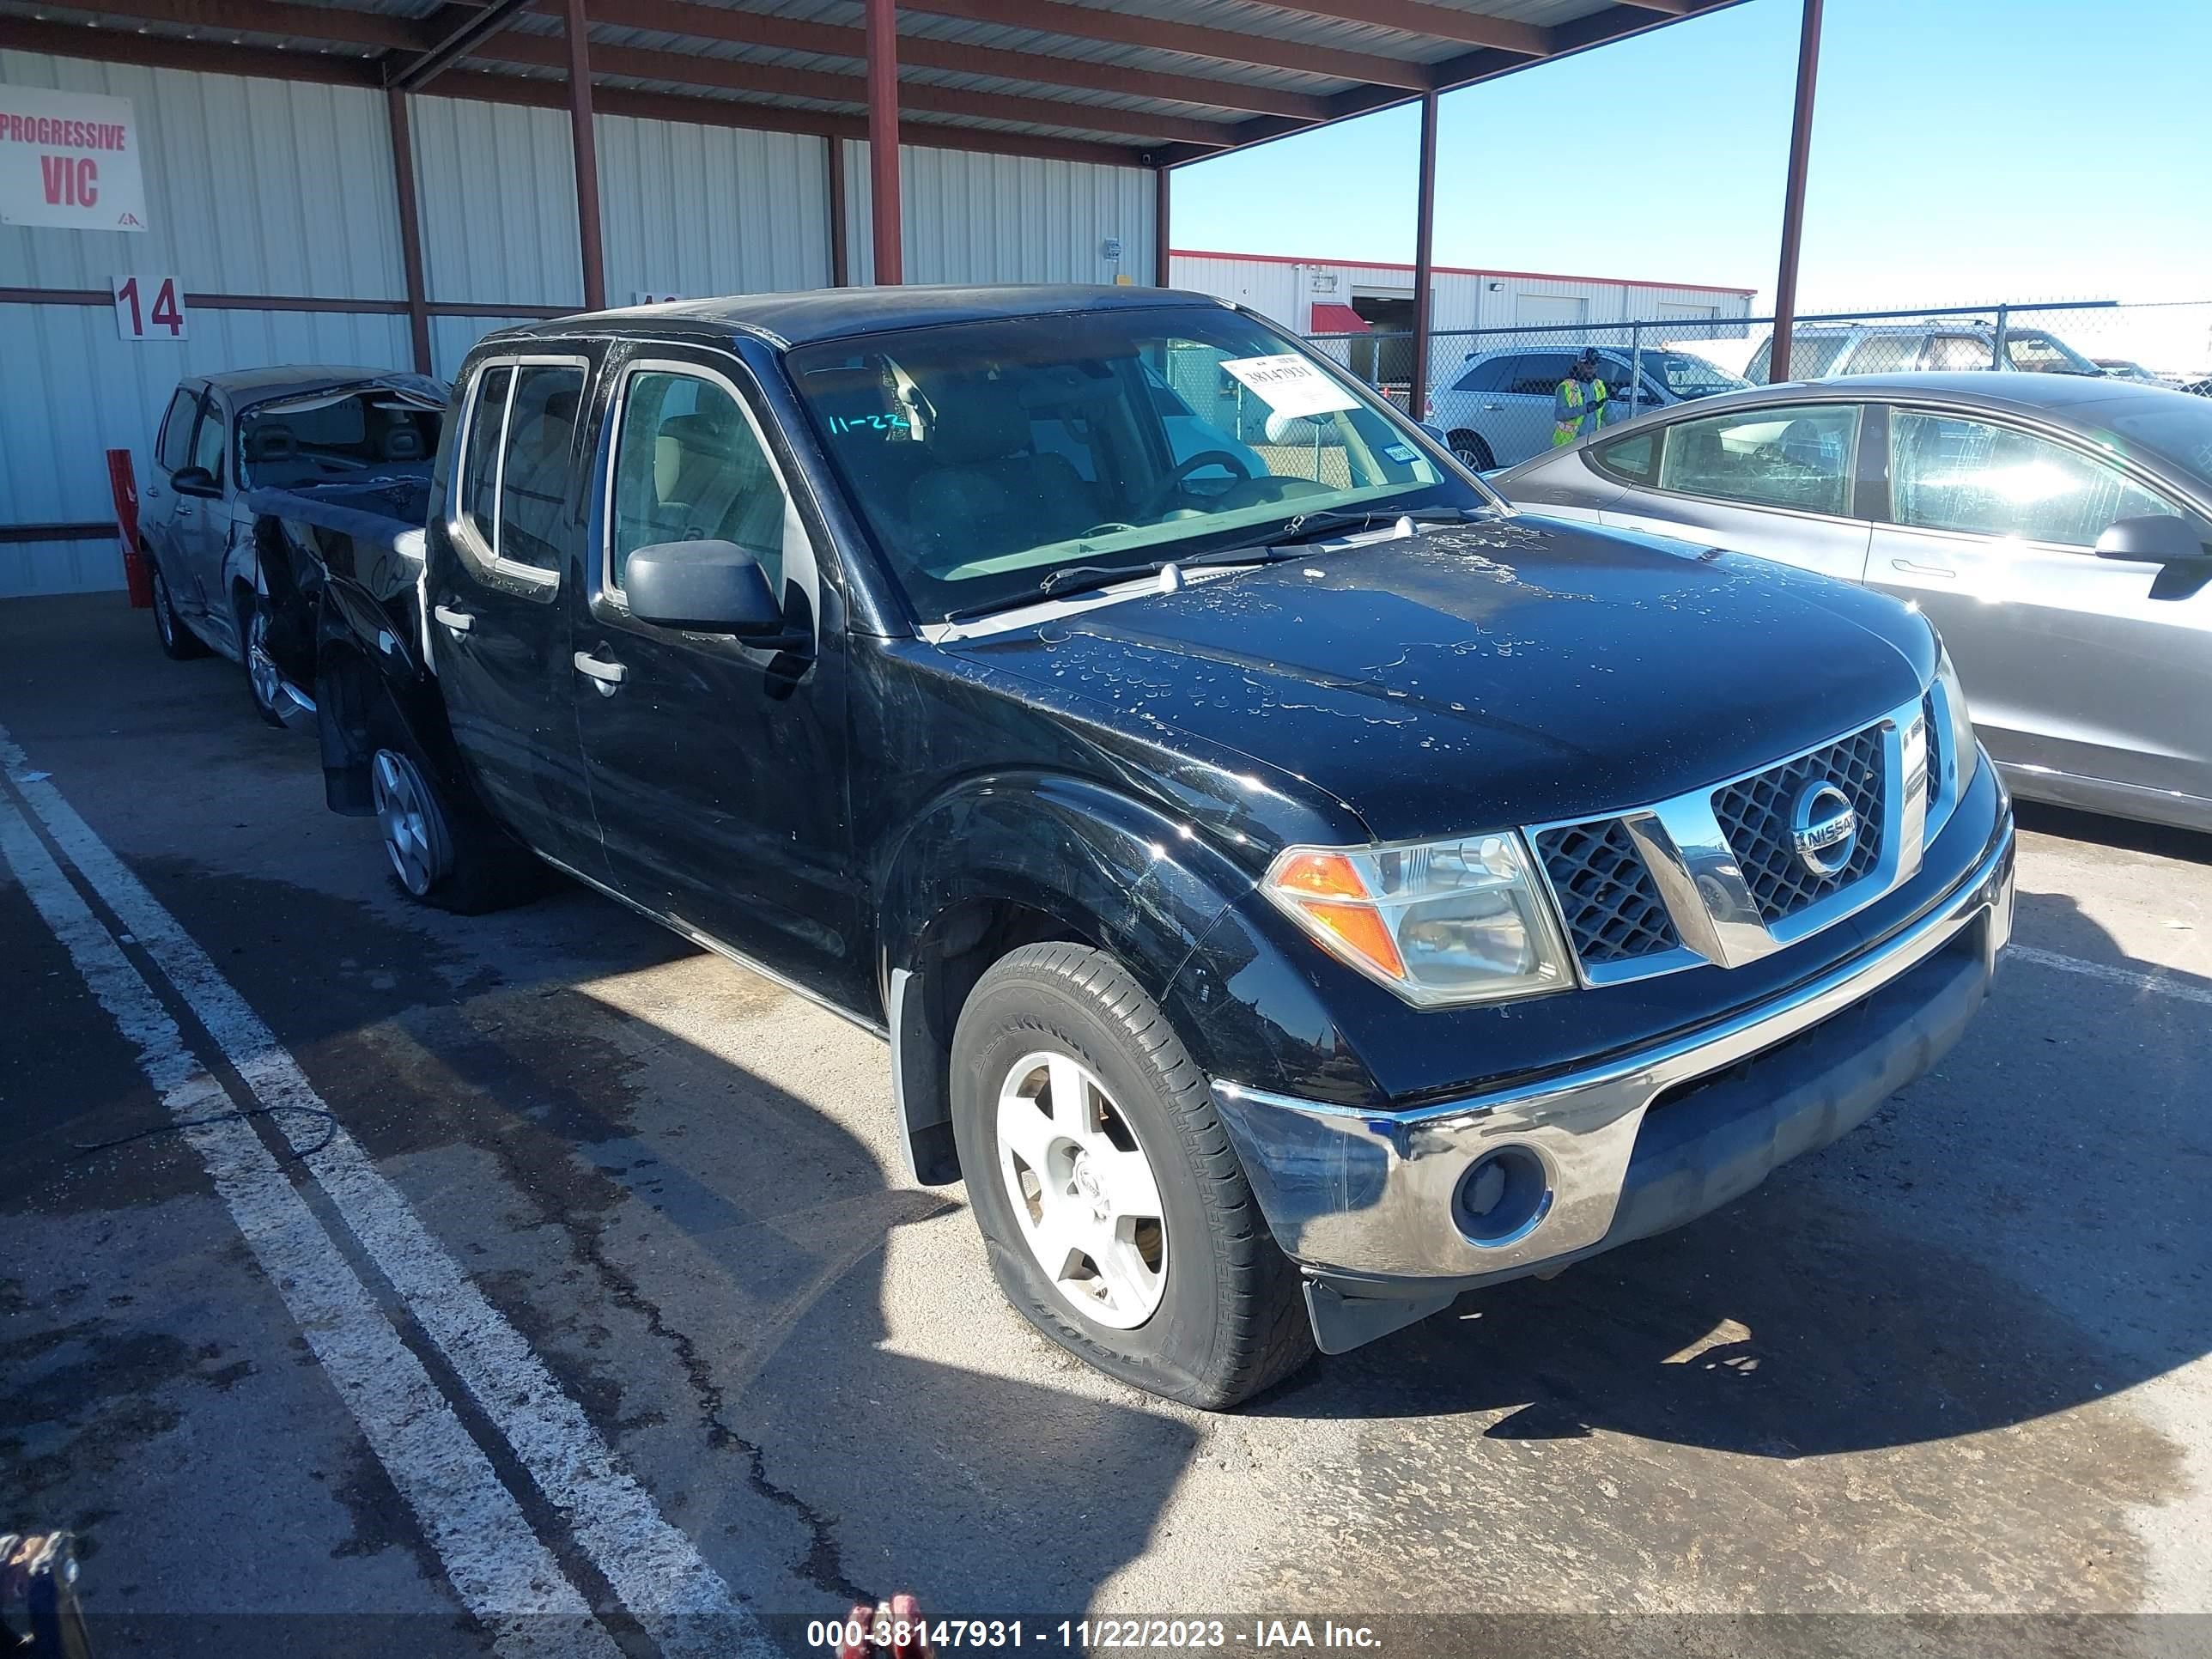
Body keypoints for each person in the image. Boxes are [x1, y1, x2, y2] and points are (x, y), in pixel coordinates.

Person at [1553, 349, 1609, 446]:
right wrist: (1584, 409)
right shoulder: (1566, 387)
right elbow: (1559, 414)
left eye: (1595, 366)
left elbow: (1609, 414)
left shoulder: (1599, 386)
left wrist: (1624, 430)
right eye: (1588, 365)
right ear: (1579, 364)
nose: (1592, 369)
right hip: (1569, 444)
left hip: (1592, 441)